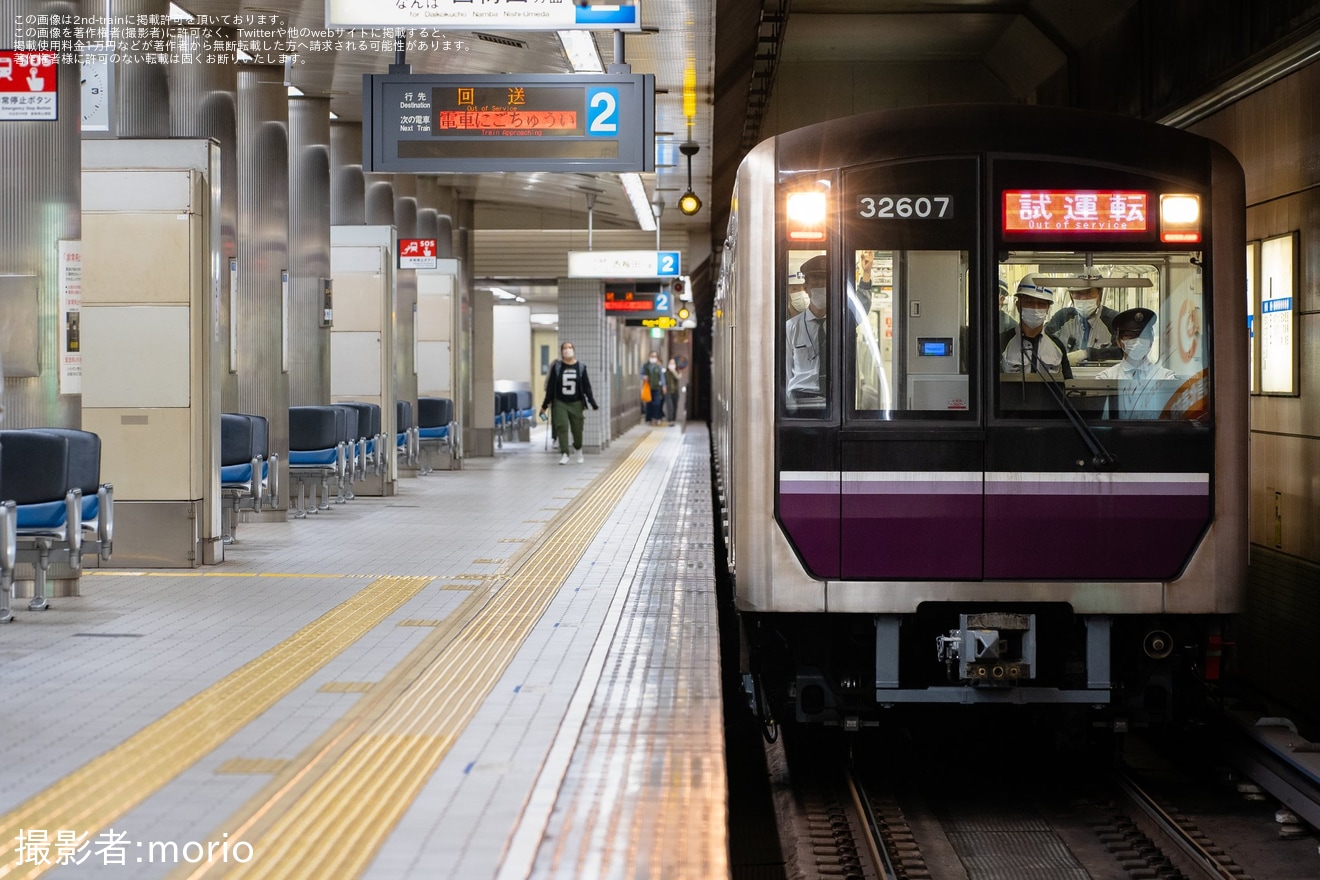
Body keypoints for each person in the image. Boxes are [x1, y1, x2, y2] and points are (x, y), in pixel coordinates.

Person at [1096, 307, 1178, 418]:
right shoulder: (1105, 378)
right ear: (1119, 341)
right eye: (1131, 336)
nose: (1138, 342)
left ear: (1151, 341)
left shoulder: (1166, 378)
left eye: (1143, 336)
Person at [1000, 275, 1072, 379]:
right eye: (1029, 303)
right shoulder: (1002, 342)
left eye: (1041, 304)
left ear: (1047, 309)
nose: (1035, 309)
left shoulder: (1057, 346)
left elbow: (1068, 387)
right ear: (1018, 305)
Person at [540, 341, 599, 464]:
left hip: (576, 403)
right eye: (565, 348)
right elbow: (551, 388)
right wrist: (544, 406)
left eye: (570, 347)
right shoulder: (557, 367)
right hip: (559, 403)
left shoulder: (581, 367)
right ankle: (565, 453)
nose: (568, 349)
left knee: (577, 430)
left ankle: (578, 448)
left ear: (574, 350)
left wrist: (592, 402)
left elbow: (586, 387)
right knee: (562, 427)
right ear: (561, 352)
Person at [785, 254, 830, 405]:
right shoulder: (792, 327)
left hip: (835, 397)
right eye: (816, 282)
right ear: (806, 288)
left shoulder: (840, 325)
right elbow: (786, 369)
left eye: (825, 282)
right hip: (801, 397)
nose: (821, 286)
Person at [1044, 283, 1121, 365]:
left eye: (1089, 293)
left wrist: (1088, 354)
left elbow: (1123, 351)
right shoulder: (1062, 318)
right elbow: (1042, 342)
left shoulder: (1114, 320)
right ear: (1071, 296)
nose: (1083, 299)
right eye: (1078, 294)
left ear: (1099, 293)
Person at [641, 351, 666, 425]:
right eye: (652, 356)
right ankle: (649, 419)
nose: (653, 358)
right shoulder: (645, 366)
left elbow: (662, 376)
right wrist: (643, 377)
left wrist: (664, 385)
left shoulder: (658, 367)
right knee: (649, 404)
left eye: (655, 356)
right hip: (648, 388)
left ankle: (656, 417)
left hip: (656, 387)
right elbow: (641, 374)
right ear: (649, 357)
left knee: (657, 403)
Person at [664, 357, 682, 425]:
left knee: (675, 406)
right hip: (668, 392)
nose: (672, 364)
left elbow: (678, 377)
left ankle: (673, 419)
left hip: (675, 392)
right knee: (670, 406)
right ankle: (670, 420)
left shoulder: (678, 371)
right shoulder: (666, 372)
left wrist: (674, 371)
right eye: (670, 363)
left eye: (673, 363)